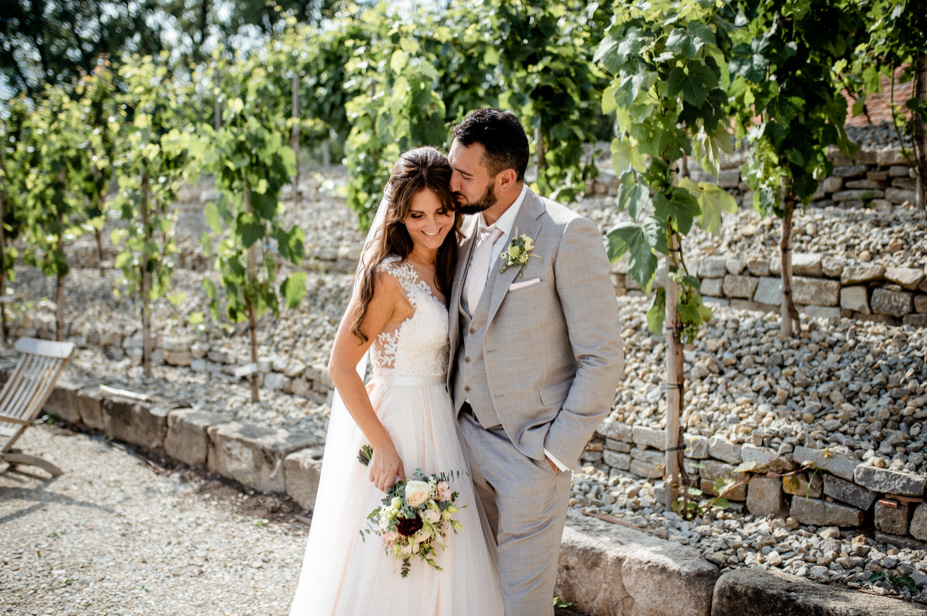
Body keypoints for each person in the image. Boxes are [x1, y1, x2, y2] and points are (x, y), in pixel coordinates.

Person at [288, 146, 504, 615]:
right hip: (395, 425)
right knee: (389, 552)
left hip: (440, 427)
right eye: (417, 215)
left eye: (442, 212)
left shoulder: (451, 264)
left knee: (442, 552)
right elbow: (341, 367)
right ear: (398, 216)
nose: (432, 225)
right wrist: (383, 446)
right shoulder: (387, 278)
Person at [447, 109, 624, 616]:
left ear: (505, 179)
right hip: (461, 439)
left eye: (464, 175)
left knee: (521, 604)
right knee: (469, 593)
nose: (451, 182)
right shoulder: (462, 231)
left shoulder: (568, 234)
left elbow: (602, 355)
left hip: (530, 453)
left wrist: (556, 453)